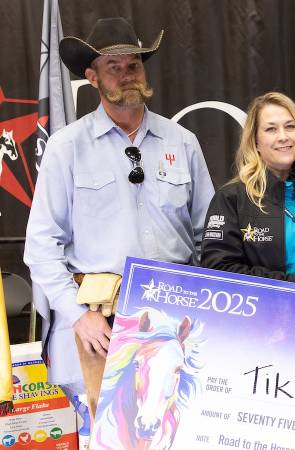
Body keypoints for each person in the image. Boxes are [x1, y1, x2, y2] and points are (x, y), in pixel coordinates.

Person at [23, 18, 214, 423]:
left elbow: (209, 236)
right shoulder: (66, 148)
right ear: (92, 76)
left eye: (134, 65)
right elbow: (41, 247)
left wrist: (203, 309)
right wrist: (79, 316)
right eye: (114, 67)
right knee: (106, 433)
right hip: (98, 324)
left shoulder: (183, 142)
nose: (127, 75)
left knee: (176, 429)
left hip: (173, 322)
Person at [201, 92, 295, 290]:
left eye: (290, 126)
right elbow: (218, 269)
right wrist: (286, 283)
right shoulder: (232, 198)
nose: (283, 137)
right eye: (271, 129)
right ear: (255, 142)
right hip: (275, 309)